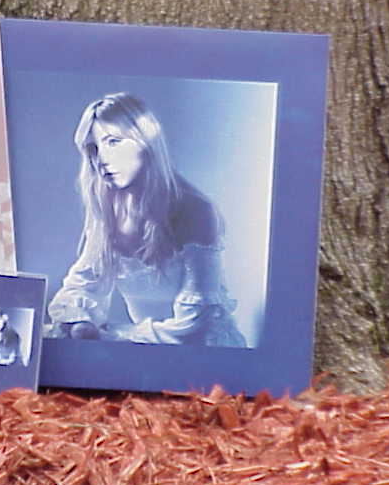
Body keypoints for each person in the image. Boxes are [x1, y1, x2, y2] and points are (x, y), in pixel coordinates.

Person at [48, 92, 245, 347]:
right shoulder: (107, 209)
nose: (102, 160)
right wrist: (81, 323)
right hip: (141, 349)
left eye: (113, 142)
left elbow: (194, 326)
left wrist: (111, 335)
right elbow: (80, 286)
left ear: (146, 141)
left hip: (203, 357)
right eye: (93, 148)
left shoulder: (197, 211)